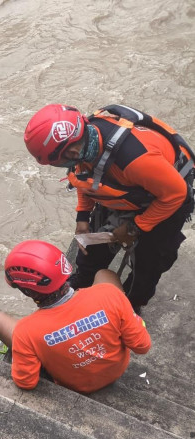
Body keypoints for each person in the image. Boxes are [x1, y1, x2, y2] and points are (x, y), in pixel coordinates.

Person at [23, 104, 195, 313]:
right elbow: (82, 177)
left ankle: (133, 302)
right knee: (92, 246)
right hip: (127, 188)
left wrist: (135, 228)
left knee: (149, 259)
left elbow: (177, 194)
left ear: (73, 150)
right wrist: (83, 217)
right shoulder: (85, 142)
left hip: (165, 196)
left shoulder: (136, 160)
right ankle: (82, 282)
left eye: (56, 163)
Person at [0, 240, 151, 394]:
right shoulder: (110, 295)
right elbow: (142, 346)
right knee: (105, 274)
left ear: (27, 291)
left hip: (75, 384)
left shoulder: (26, 332)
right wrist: (125, 318)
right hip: (115, 371)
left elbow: (26, 382)